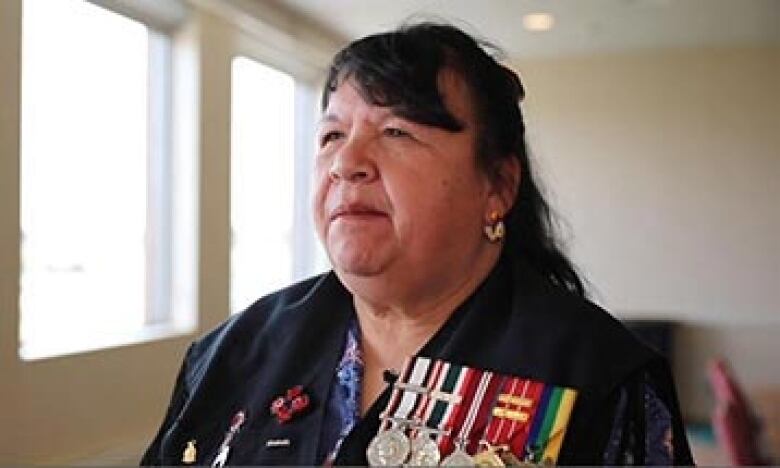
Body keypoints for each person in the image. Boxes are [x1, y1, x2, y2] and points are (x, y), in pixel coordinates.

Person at [141, 23, 693, 466]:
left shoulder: (596, 376)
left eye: (397, 132)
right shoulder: (232, 355)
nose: (345, 163)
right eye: (332, 135)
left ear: (497, 187)